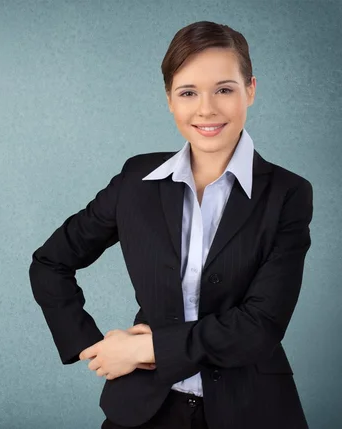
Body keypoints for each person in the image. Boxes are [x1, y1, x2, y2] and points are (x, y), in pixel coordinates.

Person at [28, 20, 313, 429]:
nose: (206, 109)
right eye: (188, 92)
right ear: (169, 100)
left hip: (250, 409)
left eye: (224, 89)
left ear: (250, 89)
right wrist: (93, 346)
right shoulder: (136, 181)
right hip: (144, 408)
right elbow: (50, 262)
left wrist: (146, 349)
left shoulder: (288, 193)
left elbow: (259, 326)